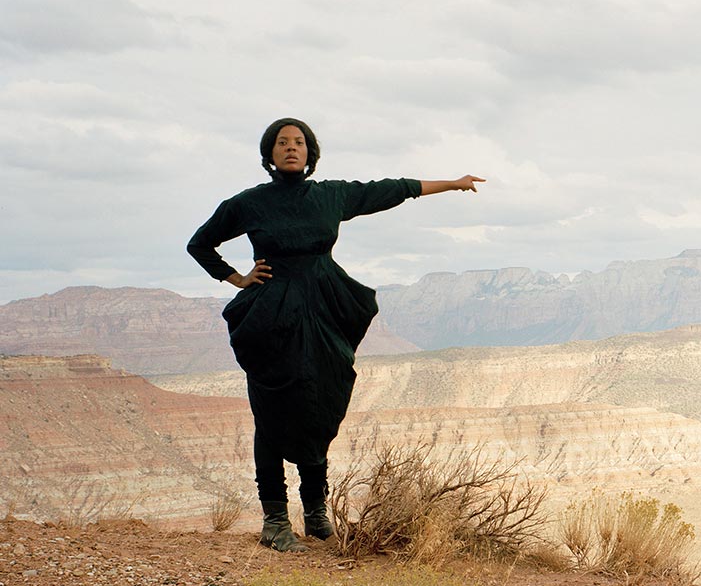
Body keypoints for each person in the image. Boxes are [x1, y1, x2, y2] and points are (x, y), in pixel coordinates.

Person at [187, 118, 483, 551]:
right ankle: (274, 520)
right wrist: (236, 277)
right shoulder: (249, 203)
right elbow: (200, 244)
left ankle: (316, 515)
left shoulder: (331, 196)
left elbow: (393, 188)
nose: (291, 148)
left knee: (319, 405)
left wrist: (453, 184)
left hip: (325, 310)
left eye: (300, 142)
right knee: (270, 412)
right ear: (269, 153)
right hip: (272, 317)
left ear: (311, 152)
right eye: (282, 143)